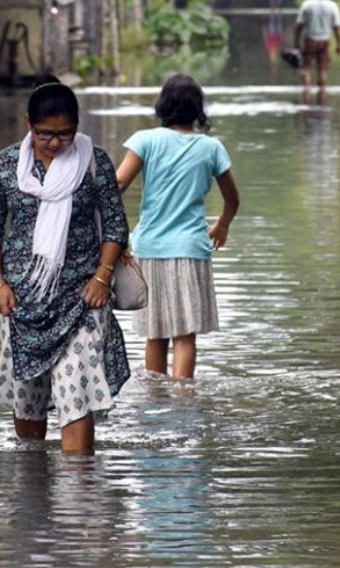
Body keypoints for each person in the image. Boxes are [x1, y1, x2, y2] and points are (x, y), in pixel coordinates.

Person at [0, 75, 131, 455]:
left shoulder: (94, 163)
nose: (56, 143)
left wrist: (102, 277)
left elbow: (115, 226)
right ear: (29, 124)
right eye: (46, 134)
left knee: (75, 387)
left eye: (65, 133)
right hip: (21, 300)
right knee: (28, 392)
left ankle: (79, 495)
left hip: (83, 296)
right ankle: (31, 483)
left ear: (77, 125)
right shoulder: (5, 166)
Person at [115, 74, 240, 380]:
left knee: (155, 333)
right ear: (198, 110)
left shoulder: (145, 141)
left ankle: (155, 399)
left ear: (162, 107)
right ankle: (184, 400)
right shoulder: (211, 148)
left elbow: (117, 184)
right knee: (185, 335)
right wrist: (222, 224)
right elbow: (233, 199)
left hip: (150, 248)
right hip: (191, 249)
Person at [294, 0, 340, 90]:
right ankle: (322, 95)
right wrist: (339, 44)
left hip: (310, 40)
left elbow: (299, 26)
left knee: (306, 68)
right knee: (322, 70)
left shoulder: (306, 5)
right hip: (325, 41)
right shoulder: (332, 6)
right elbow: (336, 28)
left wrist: (296, 43)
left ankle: (306, 92)